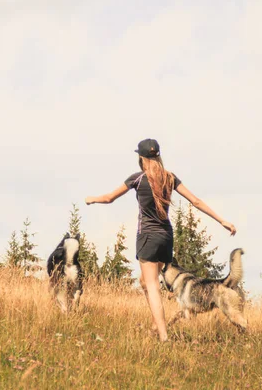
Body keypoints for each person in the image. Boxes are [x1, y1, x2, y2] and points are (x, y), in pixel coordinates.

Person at [85, 138, 236, 342]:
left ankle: (163, 336)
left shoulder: (137, 179)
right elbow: (196, 201)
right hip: (166, 238)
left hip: (147, 237)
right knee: (144, 282)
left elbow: (110, 198)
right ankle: (156, 325)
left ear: (141, 157)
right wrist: (222, 220)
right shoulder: (170, 178)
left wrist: (92, 198)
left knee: (153, 285)